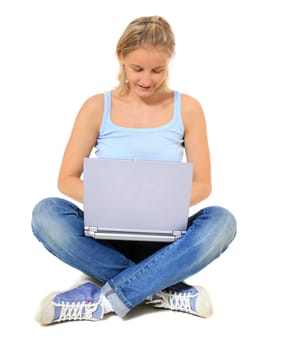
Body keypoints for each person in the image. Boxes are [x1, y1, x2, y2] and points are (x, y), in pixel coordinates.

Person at [31, 15, 237, 325]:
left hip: (166, 238)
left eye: (158, 70)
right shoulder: (96, 107)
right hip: (105, 235)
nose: (146, 80)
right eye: (137, 69)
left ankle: (105, 298)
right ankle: (160, 287)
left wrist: (157, 204)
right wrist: (111, 200)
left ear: (170, 62)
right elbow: (66, 179)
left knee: (222, 221)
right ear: (121, 57)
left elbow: (202, 185)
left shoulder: (189, 108)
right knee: (46, 213)